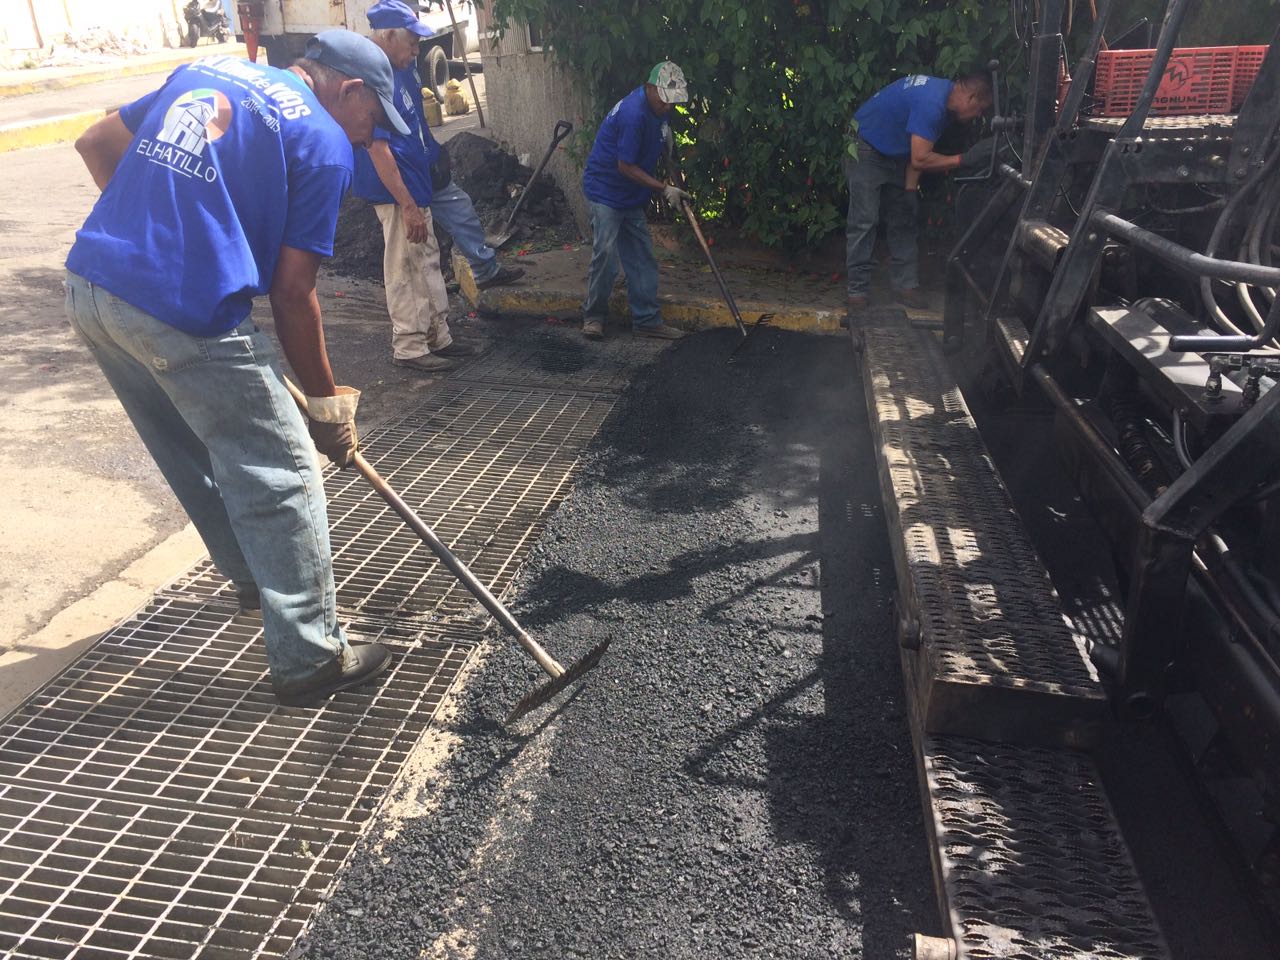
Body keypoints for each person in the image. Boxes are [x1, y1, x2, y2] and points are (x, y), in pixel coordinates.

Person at [64, 30, 404, 706]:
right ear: (351, 90)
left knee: (192, 443)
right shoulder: (325, 141)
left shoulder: (209, 69)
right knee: (284, 470)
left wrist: (159, 240)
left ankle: (255, 575)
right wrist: (326, 408)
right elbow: (293, 293)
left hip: (94, 289)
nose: (370, 138)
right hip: (176, 308)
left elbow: (95, 145)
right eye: (373, 121)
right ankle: (310, 655)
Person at [355, 0, 480, 373]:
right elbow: (378, 149)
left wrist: (434, 159)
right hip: (397, 195)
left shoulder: (404, 71)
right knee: (404, 266)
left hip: (417, 187)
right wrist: (407, 204)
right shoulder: (374, 80)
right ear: (388, 36)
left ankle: (437, 336)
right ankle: (410, 346)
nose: (417, 50)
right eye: (411, 41)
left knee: (426, 261)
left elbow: (417, 130)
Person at [845, 71, 993, 316]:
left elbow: (916, 152)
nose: (978, 115)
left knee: (903, 219)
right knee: (864, 221)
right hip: (866, 148)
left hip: (894, 154)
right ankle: (857, 292)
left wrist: (910, 191)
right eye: (980, 109)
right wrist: (964, 160)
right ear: (971, 97)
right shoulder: (932, 104)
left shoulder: (942, 101)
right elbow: (920, 157)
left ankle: (905, 287)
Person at [580, 61, 691, 341]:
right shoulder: (634, 114)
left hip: (631, 194)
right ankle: (594, 316)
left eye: (672, 103)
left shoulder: (659, 109)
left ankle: (647, 320)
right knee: (605, 255)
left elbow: (662, 146)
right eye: (665, 101)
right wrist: (665, 189)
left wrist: (669, 155)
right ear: (651, 88)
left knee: (641, 256)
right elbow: (625, 166)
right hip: (606, 190)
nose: (668, 107)